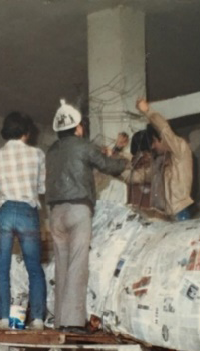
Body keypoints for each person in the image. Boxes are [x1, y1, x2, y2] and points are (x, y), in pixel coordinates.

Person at [45, 99, 126, 332]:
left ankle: (60, 320)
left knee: (62, 263)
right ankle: (72, 322)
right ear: (78, 128)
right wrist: (122, 159)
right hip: (78, 210)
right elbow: (110, 166)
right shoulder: (83, 145)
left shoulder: (51, 151)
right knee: (78, 263)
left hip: (55, 213)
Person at [0, 111, 47, 331]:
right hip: (27, 212)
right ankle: (38, 319)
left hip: (4, 212)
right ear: (26, 132)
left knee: (2, 268)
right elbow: (41, 188)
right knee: (34, 268)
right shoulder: (37, 154)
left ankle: (2, 319)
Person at [131, 98, 194, 221]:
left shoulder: (180, 150)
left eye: (153, 142)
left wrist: (148, 111)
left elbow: (165, 129)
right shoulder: (160, 161)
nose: (153, 147)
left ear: (158, 138)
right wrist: (114, 158)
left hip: (180, 213)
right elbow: (136, 177)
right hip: (166, 216)